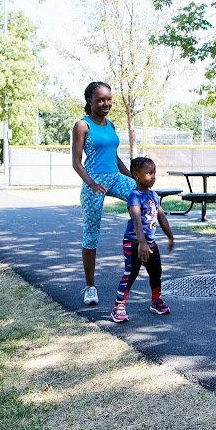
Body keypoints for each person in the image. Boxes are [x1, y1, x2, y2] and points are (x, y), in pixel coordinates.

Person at [71, 82, 136, 306]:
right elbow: (76, 162)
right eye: (100, 100)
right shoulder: (82, 125)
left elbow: (115, 158)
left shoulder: (111, 124)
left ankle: (141, 247)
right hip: (94, 180)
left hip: (114, 176)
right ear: (89, 101)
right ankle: (90, 286)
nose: (105, 103)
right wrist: (90, 183)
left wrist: (134, 180)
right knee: (91, 234)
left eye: (108, 99)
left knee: (145, 199)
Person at [110, 157, 175, 323]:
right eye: (148, 173)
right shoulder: (134, 196)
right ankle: (118, 306)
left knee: (156, 271)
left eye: (154, 173)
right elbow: (137, 219)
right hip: (133, 242)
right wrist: (142, 243)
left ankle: (155, 300)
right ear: (136, 175)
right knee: (131, 273)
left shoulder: (153, 195)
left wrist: (170, 236)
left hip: (150, 243)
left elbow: (160, 216)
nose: (153, 176)